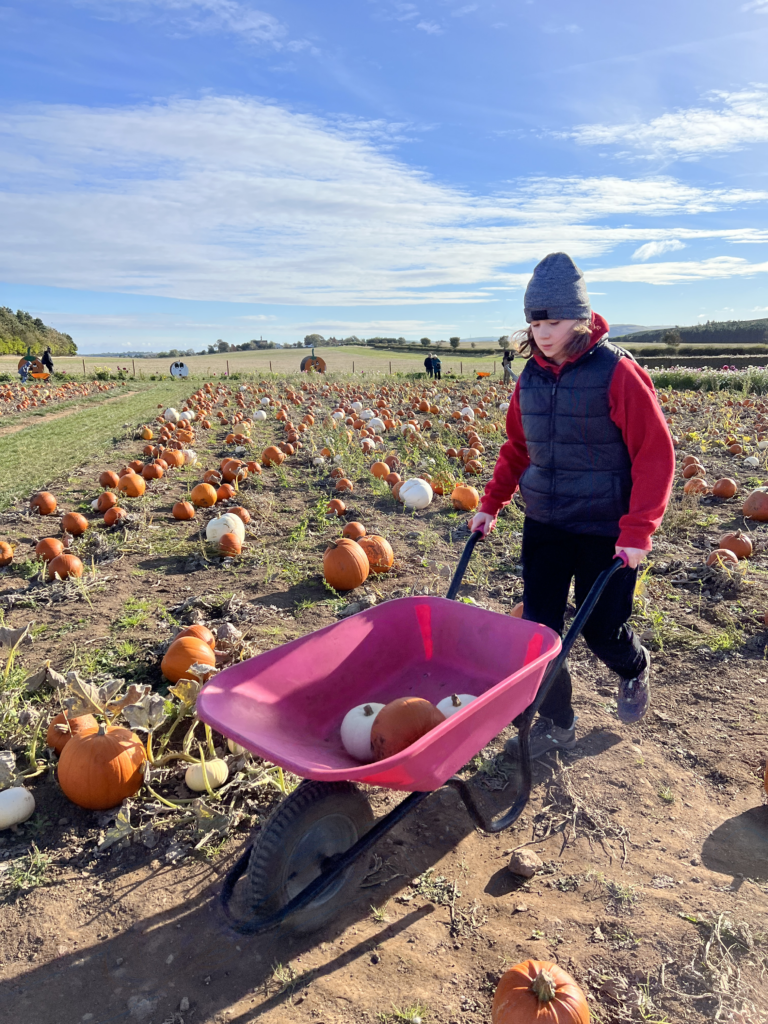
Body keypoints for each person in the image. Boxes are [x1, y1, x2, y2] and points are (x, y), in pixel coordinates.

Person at [469, 252, 674, 760]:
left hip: (606, 530)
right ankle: (557, 720)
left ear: (581, 318)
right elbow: (518, 447)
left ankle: (633, 667)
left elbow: (656, 455)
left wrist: (637, 532)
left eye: (554, 321)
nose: (542, 332)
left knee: (602, 629)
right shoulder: (530, 380)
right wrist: (491, 503)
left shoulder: (618, 373)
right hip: (546, 524)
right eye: (535, 321)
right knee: (538, 632)